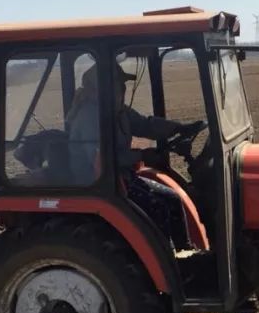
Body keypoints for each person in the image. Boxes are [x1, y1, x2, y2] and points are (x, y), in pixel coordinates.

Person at [66, 61, 202, 249]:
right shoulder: (89, 117)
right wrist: (142, 156)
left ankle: (185, 255)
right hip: (99, 185)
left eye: (123, 85)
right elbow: (103, 159)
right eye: (118, 84)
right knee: (157, 206)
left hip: (122, 178)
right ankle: (166, 256)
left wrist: (178, 128)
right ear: (102, 88)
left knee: (173, 199)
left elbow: (146, 125)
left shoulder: (117, 111)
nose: (123, 89)